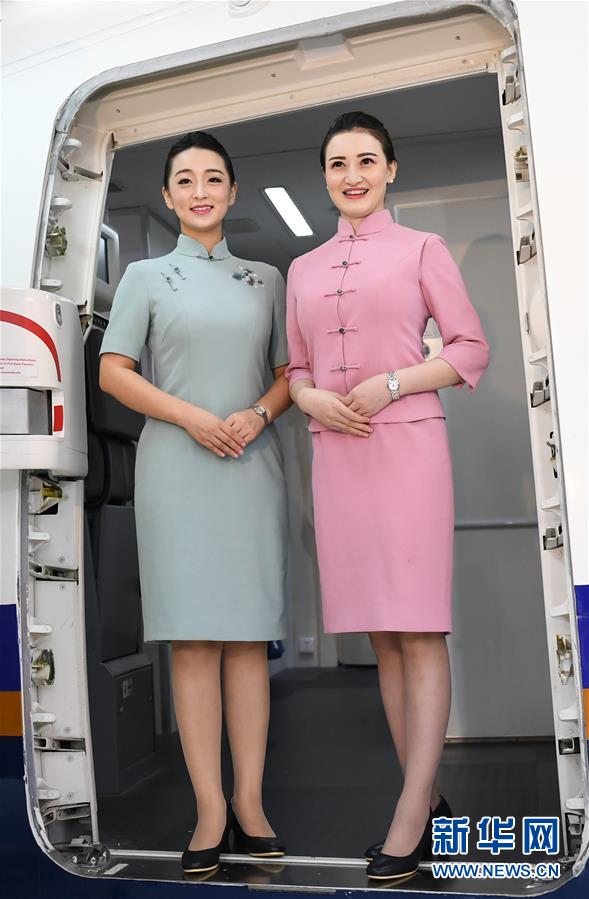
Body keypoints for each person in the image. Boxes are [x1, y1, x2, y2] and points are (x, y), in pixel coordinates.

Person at [285, 111, 490, 880]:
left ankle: (407, 817)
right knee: (381, 635)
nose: (352, 174)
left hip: (406, 449)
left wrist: (394, 381)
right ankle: (427, 802)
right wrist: (306, 397)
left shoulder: (421, 249)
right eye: (338, 163)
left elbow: (470, 347)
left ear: (390, 169)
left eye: (366, 160)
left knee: (419, 629)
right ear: (325, 176)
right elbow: (295, 368)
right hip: (336, 455)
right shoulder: (302, 269)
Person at [99, 131, 290, 876]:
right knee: (192, 641)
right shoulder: (144, 276)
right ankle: (209, 807)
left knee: (246, 638)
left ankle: (251, 802)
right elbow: (115, 372)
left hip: (249, 462)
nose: (200, 190)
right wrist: (190, 417)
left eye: (214, 178)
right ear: (169, 195)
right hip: (177, 467)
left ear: (233, 191)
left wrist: (258, 414)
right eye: (185, 179)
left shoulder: (267, 278)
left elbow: (289, 373)